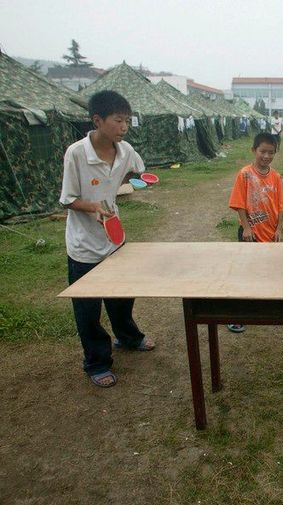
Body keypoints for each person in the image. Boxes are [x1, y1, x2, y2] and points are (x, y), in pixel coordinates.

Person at [59, 90, 155, 388]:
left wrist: (133, 182)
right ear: (98, 120)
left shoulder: (125, 150)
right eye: (118, 120)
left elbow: (135, 173)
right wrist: (93, 207)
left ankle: (128, 338)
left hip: (115, 238)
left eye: (127, 120)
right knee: (88, 310)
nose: (124, 127)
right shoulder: (76, 153)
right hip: (84, 245)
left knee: (123, 296)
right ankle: (97, 362)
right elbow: (67, 200)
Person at [226, 132, 283, 333]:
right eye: (263, 151)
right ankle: (237, 316)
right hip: (250, 233)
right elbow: (239, 203)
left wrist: (279, 229)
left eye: (271, 152)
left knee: (267, 271)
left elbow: (280, 206)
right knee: (245, 273)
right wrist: (247, 227)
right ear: (254, 151)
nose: (266, 156)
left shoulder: (276, 177)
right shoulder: (245, 174)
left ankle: (263, 308)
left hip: (270, 234)